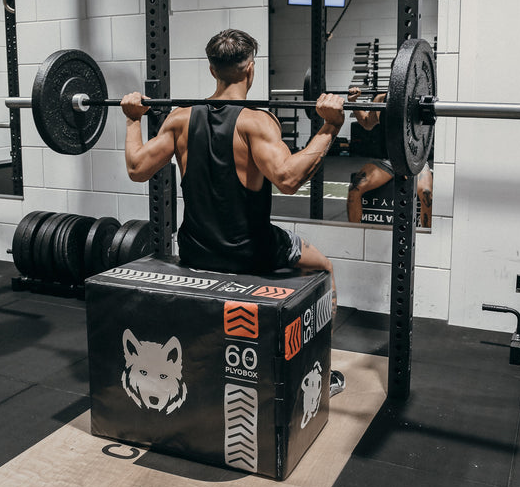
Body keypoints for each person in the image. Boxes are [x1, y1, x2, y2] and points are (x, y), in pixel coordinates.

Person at [120, 29, 347, 395]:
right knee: (324, 267)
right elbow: (289, 179)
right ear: (251, 69)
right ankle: (322, 375)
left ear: (212, 70)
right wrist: (331, 126)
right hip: (252, 254)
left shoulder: (179, 119)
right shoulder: (257, 123)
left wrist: (133, 118)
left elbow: (136, 168)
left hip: (195, 251)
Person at [346, 86, 434, 227]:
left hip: (415, 161)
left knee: (426, 193)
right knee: (354, 189)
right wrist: (352, 102)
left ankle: (426, 237)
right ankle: (354, 233)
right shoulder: (382, 99)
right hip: (389, 161)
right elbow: (367, 123)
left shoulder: (420, 99)